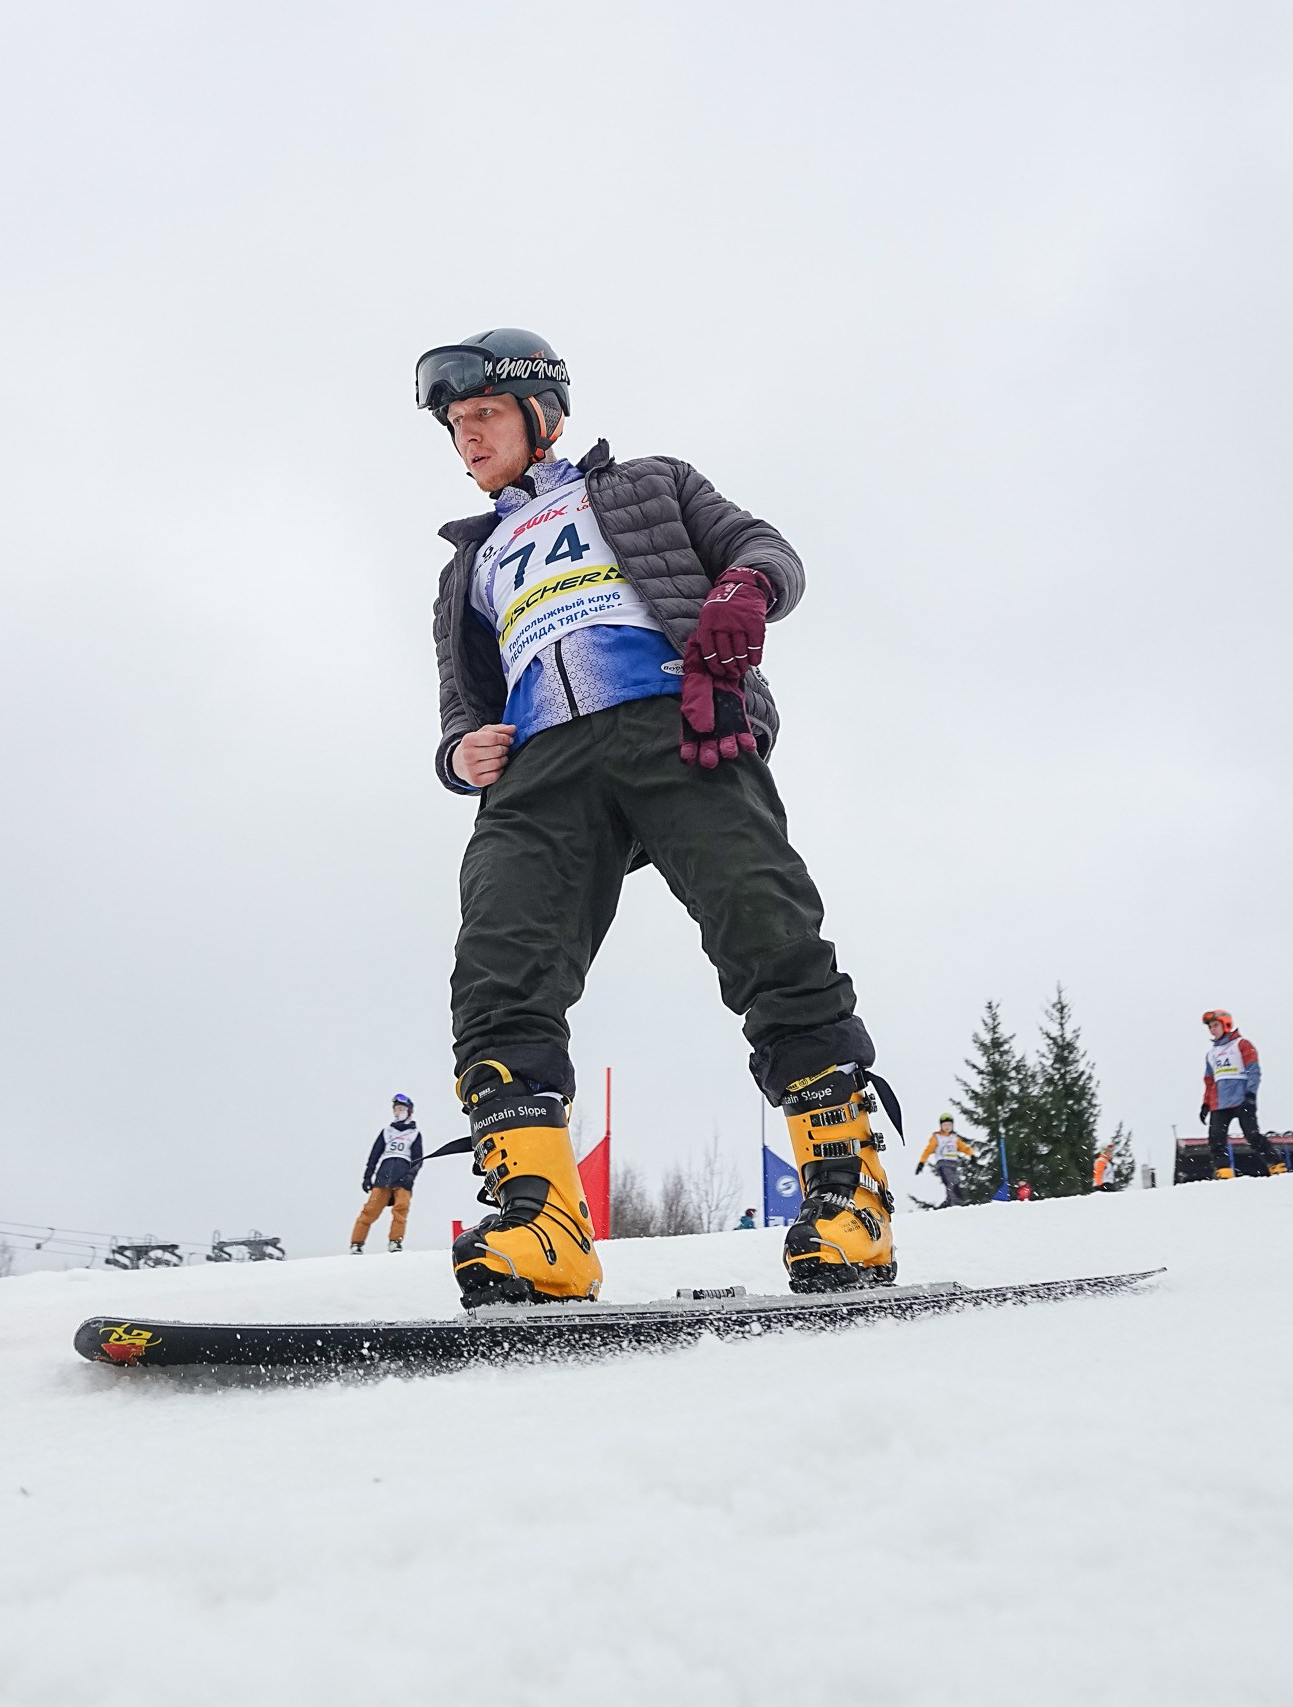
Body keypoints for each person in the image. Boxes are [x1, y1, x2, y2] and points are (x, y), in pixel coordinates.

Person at [415, 330, 886, 1307]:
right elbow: (462, 706)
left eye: (484, 418)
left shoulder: (647, 486)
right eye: (455, 428)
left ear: (544, 414)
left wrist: (741, 592)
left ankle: (851, 1197)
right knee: (498, 963)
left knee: (763, 924)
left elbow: (763, 549)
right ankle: (542, 1220)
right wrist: (461, 753)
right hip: (541, 772)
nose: (467, 441)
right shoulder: (468, 566)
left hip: (677, 724)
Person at [1199, 1010, 1283, 1178]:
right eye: (1210, 1027)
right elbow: (1209, 1082)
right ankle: (1224, 1172)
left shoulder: (1241, 1044)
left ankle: (1277, 1165)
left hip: (1242, 1099)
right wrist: (1206, 1104)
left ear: (1226, 1025)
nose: (1212, 1030)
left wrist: (1251, 1095)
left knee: (1252, 1135)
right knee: (1216, 1139)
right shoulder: (1211, 1055)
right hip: (1220, 1103)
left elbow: (1254, 1071)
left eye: (1215, 1025)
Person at [350, 1095, 426, 1253]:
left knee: (401, 1209)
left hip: (403, 1179)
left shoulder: (414, 1134)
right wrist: (367, 1176)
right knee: (370, 1209)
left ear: (409, 1112)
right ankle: (356, 1243)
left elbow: (418, 1159)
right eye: (395, 1109)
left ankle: (395, 1242)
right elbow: (374, 1155)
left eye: (401, 1109)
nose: (398, 1112)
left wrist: (410, 1177)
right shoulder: (387, 1132)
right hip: (382, 1179)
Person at [918, 1116, 971, 1208]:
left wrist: (972, 1155)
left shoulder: (954, 1138)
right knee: (951, 1181)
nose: (947, 1127)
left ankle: (949, 1200)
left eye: (949, 1125)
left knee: (953, 1181)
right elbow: (928, 1150)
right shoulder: (937, 1137)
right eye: (945, 1125)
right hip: (943, 1163)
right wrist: (922, 1162)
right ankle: (955, 1201)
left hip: (953, 1163)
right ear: (941, 1126)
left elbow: (964, 1147)